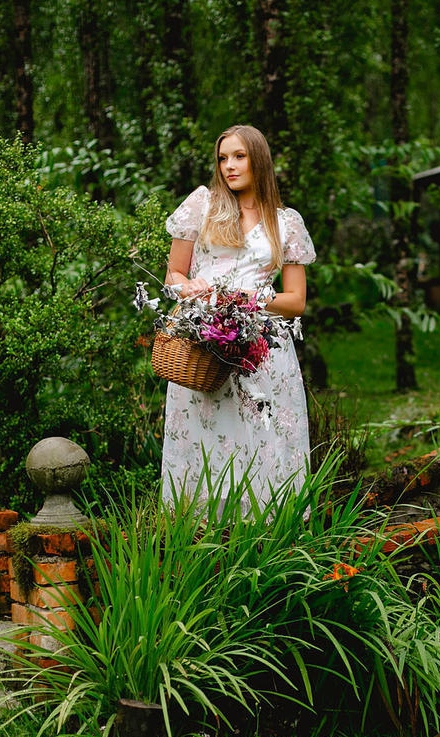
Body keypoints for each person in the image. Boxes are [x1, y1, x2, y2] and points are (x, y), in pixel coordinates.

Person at [160, 124, 315, 515]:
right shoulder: (203, 206)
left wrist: (247, 299)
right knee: (207, 447)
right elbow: (172, 277)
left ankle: (269, 550)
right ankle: (203, 553)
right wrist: (192, 288)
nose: (229, 166)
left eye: (239, 156)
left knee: (264, 446)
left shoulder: (286, 222)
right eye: (223, 158)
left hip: (261, 350)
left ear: (258, 159)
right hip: (204, 345)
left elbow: (296, 301)